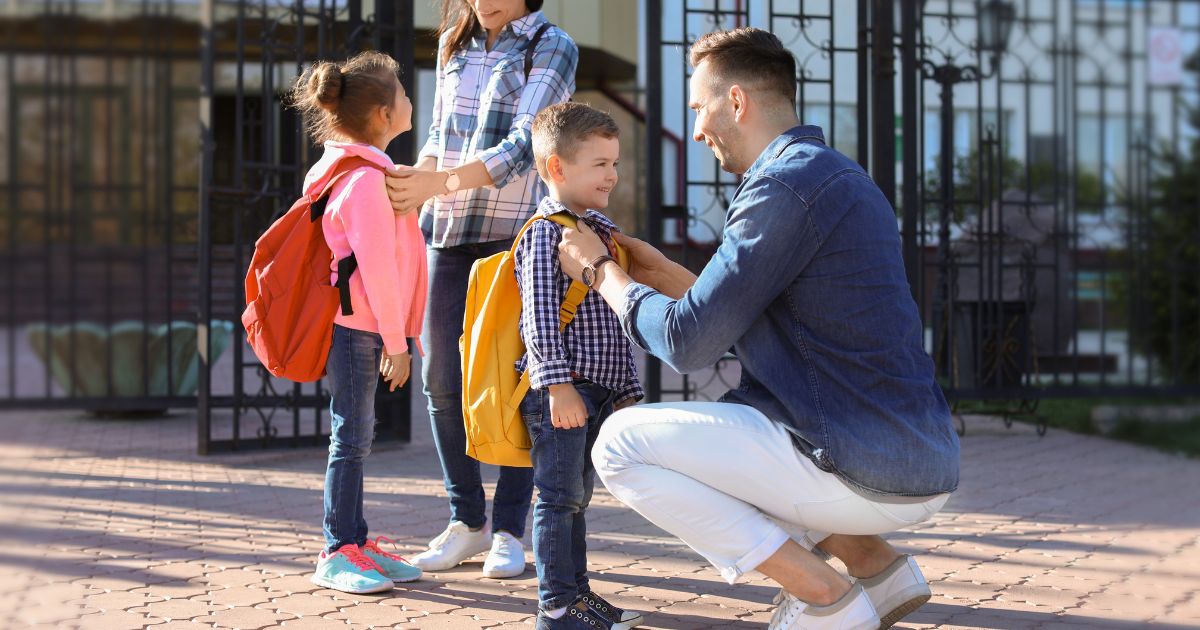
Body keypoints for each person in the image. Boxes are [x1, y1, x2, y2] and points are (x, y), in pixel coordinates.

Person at [557, 28, 960, 630]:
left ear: (737, 101)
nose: (696, 130)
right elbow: (760, 312)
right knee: (728, 440)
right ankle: (879, 568)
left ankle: (823, 595)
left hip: (861, 463)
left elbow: (688, 344)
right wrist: (663, 275)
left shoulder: (780, 188)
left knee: (620, 445)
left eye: (699, 109)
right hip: (919, 458)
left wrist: (599, 271)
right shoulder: (838, 176)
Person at [385, 0, 578, 579]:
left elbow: (525, 149)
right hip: (446, 233)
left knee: (515, 378)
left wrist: (437, 181)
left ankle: (511, 529)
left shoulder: (551, 43)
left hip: (512, 237)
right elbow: (441, 138)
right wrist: (408, 183)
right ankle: (467, 522)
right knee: (440, 376)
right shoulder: (454, 43)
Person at [291, 51, 427, 594]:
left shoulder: (349, 168)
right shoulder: (365, 181)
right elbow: (377, 270)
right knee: (350, 437)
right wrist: (397, 343)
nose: (411, 100)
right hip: (358, 326)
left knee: (357, 435)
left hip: (358, 323)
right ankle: (336, 550)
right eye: (404, 93)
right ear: (382, 115)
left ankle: (354, 539)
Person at [516, 103, 645, 629]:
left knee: (577, 499)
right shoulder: (546, 233)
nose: (612, 175)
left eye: (614, 162)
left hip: (594, 392)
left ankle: (579, 596)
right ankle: (555, 606)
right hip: (562, 393)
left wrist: (626, 388)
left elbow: (615, 319)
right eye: (599, 164)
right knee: (558, 498)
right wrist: (557, 386)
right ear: (556, 168)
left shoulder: (600, 231)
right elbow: (539, 318)